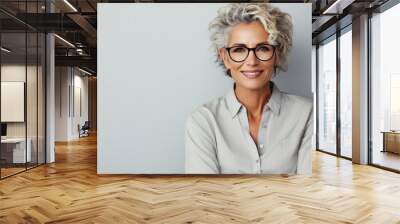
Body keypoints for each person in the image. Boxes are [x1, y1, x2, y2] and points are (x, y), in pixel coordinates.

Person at [184, 3, 313, 175]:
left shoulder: (307, 114)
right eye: (239, 50)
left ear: (277, 54)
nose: (251, 61)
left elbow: (310, 191)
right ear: (225, 57)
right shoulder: (204, 121)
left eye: (263, 48)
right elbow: (205, 195)